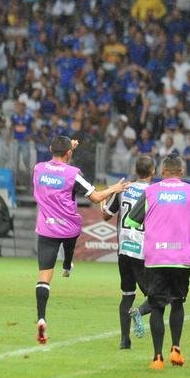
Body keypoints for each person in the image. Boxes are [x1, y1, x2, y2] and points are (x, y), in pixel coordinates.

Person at [124, 153, 190, 370]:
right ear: (182, 172)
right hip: (181, 258)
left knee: (157, 306)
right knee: (177, 302)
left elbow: (131, 220)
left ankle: (157, 357)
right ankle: (176, 350)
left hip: (155, 257)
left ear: (161, 172)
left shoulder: (151, 192)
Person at [33, 135, 126, 344]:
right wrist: (114, 189)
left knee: (44, 277)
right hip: (68, 228)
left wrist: (67, 150)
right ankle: (67, 263)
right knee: (72, 235)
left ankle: (41, 318)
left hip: (47, 228)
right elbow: (95, 198)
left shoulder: (38, 169)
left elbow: (55, 164)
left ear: (50, 149)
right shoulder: (73, 174)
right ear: (69, 153)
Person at [101, 155, 156, 350]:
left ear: (136, 170)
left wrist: (107, 196)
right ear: (152, 172)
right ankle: (139, 313)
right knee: (158, 296)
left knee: (127, 294)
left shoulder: (124, 189)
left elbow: (106, 215)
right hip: (144, 252)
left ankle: (124, 340)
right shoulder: (154, 192)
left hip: (123, 250)